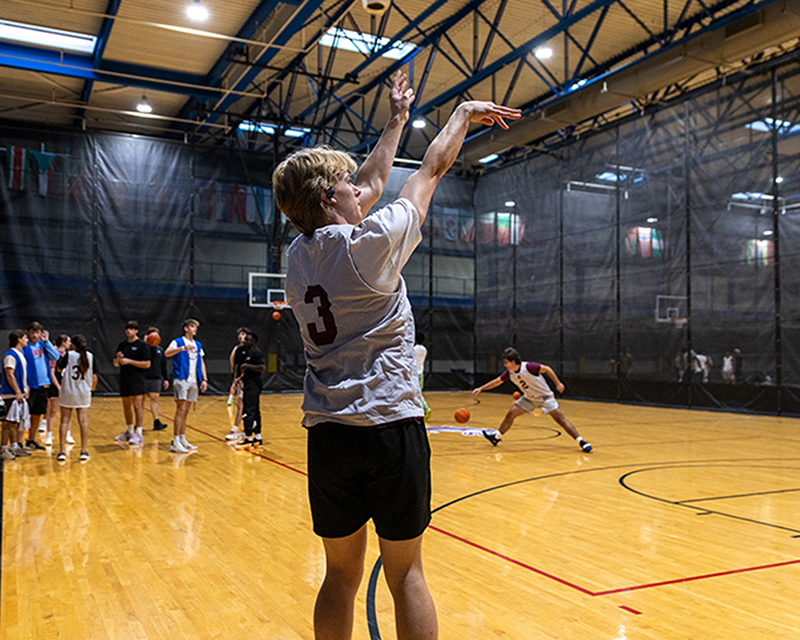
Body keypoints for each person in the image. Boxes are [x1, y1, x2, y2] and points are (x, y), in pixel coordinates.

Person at [275, 66, 520, 640]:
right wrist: (460, 116)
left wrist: (397, 119)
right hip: (389, 426)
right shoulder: (371, 246)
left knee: (339, 576)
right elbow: (428, 170)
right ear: (330, 197)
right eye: (348, 184)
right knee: (406, 571)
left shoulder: (296, 257)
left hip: (329, 432)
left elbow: (371, 180)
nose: (360, 187)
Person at [472, 347, 592, 452]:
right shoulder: (510, 373)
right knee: (511, 413)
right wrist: (481, 388)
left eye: (506, 362)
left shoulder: (529, 367)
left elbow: (548, 369)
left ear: (513, 362)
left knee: (560, 420)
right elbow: (497, 381)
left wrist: (558, 383)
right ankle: (496, 437)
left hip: (545, 397)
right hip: (529, 398)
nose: (505, 365)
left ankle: (581, 442)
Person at [164, 318, 207, 453]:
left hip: (193, 380)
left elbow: (201, 361)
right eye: (192, 326)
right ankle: (175, 441)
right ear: (186, 328)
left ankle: (182, 438)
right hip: (181, 379)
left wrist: (204, 379)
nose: (195, 329)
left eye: (196, 327)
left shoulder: (198, 345)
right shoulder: (178, 342)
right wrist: (181, 348)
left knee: (186, 411)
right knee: (180, 410)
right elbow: (166, 353)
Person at [55, 334, 97, 463]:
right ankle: (83, 451)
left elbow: (58, 368)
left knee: (64, 421)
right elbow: (94, 377)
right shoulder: (90, 356)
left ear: (73, 345)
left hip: (68, 391)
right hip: (83, 392)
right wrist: (91, 389)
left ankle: (62, 451)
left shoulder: (69, 355)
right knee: (83, 422)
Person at [21, 322, 60, 451]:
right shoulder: (24, 347)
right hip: (30, 386)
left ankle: (30, 441)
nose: (34, 335)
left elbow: (56, 356)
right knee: (23, 415)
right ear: (28, 333)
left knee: (37, 415)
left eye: (37, 332)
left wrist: (47, 342)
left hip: (43, 385)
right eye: (32, 332)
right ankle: (18, 443)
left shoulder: (43, 345)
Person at [113, 320, 151, 445]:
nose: (128, 331)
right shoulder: (122, 345)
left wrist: (130, 361)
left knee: (137, 405)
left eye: (131, 329)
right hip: (124, 377)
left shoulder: (142, 345)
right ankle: (129, 430)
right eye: (127, 328)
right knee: (126, 405)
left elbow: (147, 364)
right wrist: (118, 359)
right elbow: (115, 363)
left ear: (136, 331)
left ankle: (138, 432)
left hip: (137, 378)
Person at [1, 330, 31, 460]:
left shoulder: (20, 354)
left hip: (18, 393)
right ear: (19, 339)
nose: (27, 340)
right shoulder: (10, 355)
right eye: (25, 337)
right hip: (10, 394)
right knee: (8, 423)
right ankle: (3, 449)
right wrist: (18, 391)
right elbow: (9, 374)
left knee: (15, 422)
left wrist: (26, 388)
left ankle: (14, 446)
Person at [233, 331, 266, 449]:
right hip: (246, 382)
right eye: (245, 339)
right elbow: (240, 369)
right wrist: (239, 378)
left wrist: (248, 366)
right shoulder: (242, 351)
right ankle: (257, 437)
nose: (245, 341)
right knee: (255, 410)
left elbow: (262, 367)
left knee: (249, 410)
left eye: (248, 340)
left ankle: (248, 438)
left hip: (254, 384)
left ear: (254, 342)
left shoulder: (256, 353)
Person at [43, 334, 75, 446]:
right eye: (68, 341)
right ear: (63, 342)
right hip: (54, 385)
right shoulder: (53, 354)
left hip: (66, 385)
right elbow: (52, 374)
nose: (70, 344)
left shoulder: (69, 355)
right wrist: (59, 387)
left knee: (67, 412)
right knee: (51, 411)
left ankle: (68, 434)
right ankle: (49, 435)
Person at [225, 326, 249, 440]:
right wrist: (235, 377)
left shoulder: (251, 349)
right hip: (240, 380)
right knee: (240, 405)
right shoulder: (237, 348)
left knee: (245, 405)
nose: (240, 336)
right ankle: (238, 428)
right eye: (239, 334)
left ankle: (245, 428)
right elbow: (233, 361)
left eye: (243, 334)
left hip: (249, 381)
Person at [144, 327, 169, 431]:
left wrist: (166, 378)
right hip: (143, 377)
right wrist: (146, 343)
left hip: (156, 378)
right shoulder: (144, 348)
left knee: (154, 399)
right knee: (140, 401)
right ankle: (138, 423)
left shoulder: (160, 350)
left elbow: (163, 365)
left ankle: (156, 421)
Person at [414, 333, 431, 422]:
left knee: (417, 393)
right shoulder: (424, 349)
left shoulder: (414, 349)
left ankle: (425, 408)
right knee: (418, 392)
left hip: (414, 374)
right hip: (421, 373)